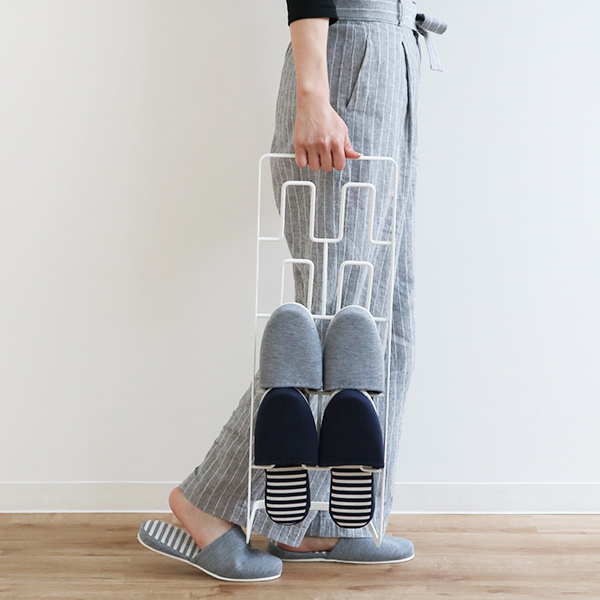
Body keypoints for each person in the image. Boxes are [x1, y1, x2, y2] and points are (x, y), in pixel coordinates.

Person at [165, 0, 447, 579]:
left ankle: (329, 519)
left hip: (394, 57)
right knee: (326, 329)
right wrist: (314, 93)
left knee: (387, 322)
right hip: (349, 59)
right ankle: (209, 502)